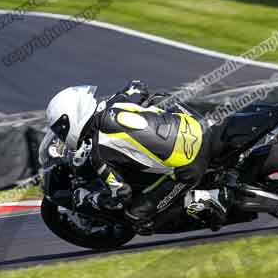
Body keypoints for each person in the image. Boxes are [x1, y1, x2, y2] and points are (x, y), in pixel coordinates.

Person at [45, 81, 226, 230]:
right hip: (197, 124)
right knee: (157, 99)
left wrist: (89, 198)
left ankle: (206, 200)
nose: (61, 135)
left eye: (61, 130)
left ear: (73, 120)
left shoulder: (98, 155)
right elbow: (137, 86)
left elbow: (121, 195)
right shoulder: (114, 103)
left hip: (190, 165)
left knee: (136, 217)